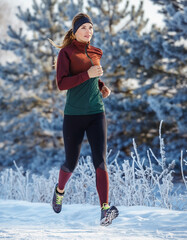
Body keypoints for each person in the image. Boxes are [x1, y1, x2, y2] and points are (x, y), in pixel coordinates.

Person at [51, 12, 119, 226]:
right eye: (83, 28)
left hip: (97, 113)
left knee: (100, 161)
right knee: (71, 163)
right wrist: (88, 75)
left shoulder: (96, 51)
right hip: (74, 116)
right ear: (74, 31)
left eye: (90, 28)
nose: (88, 32)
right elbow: (62, 84)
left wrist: (101, 86)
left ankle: (105, 210)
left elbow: (93, 76)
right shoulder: (66, 53)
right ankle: (59, 190)